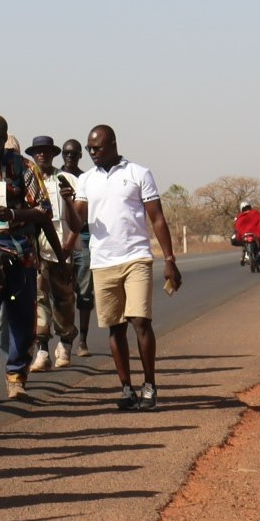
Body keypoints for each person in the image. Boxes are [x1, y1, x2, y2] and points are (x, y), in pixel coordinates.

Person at [67, 125, 183, 410]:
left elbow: (157, 219)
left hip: (136, 258)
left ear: (113, 144)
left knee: (140, 321)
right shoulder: (87, 180)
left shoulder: (138, 173)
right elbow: (76, 223)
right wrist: (67, 201)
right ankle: (126, 389)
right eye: (90, 148)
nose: (93, 153)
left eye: (98, 147)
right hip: (103, 261)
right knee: (115, 328)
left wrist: (169, 259)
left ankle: (149, 386)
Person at [0, 115, 48, 401]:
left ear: (6, 140)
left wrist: (15, 214)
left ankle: (16, 376)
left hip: (21, 254)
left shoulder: (23, 167)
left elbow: (44, 210)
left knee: (20, 317)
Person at [27, 136, 82, 371]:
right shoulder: (29, 179)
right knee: (39, 301)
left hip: (64, 250)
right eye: (38, 152)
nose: (42, 156)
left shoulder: (67, 179)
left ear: (53, 154)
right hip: (37, 252)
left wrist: (68, 247)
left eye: (46, 152)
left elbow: (79, 219)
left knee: (65, 300)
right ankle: (42, 351)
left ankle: (65, 344)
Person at [61, 137, 95, 357]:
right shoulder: (56, 177)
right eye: (67, 153)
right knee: (63, 294)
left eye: (74, 154)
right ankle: (66, 340)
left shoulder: (86, 179)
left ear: (80, 156)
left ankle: (82, 340)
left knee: (84, 292)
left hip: (82, 240)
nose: (70, 157)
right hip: (60, 241)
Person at [233, 200, 260, 267]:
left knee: (245, 242)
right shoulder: (254, 213)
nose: (246, 210)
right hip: (253, 234)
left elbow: (238, 225)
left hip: (247, 234)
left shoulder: (240, 216)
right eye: (246, 208)